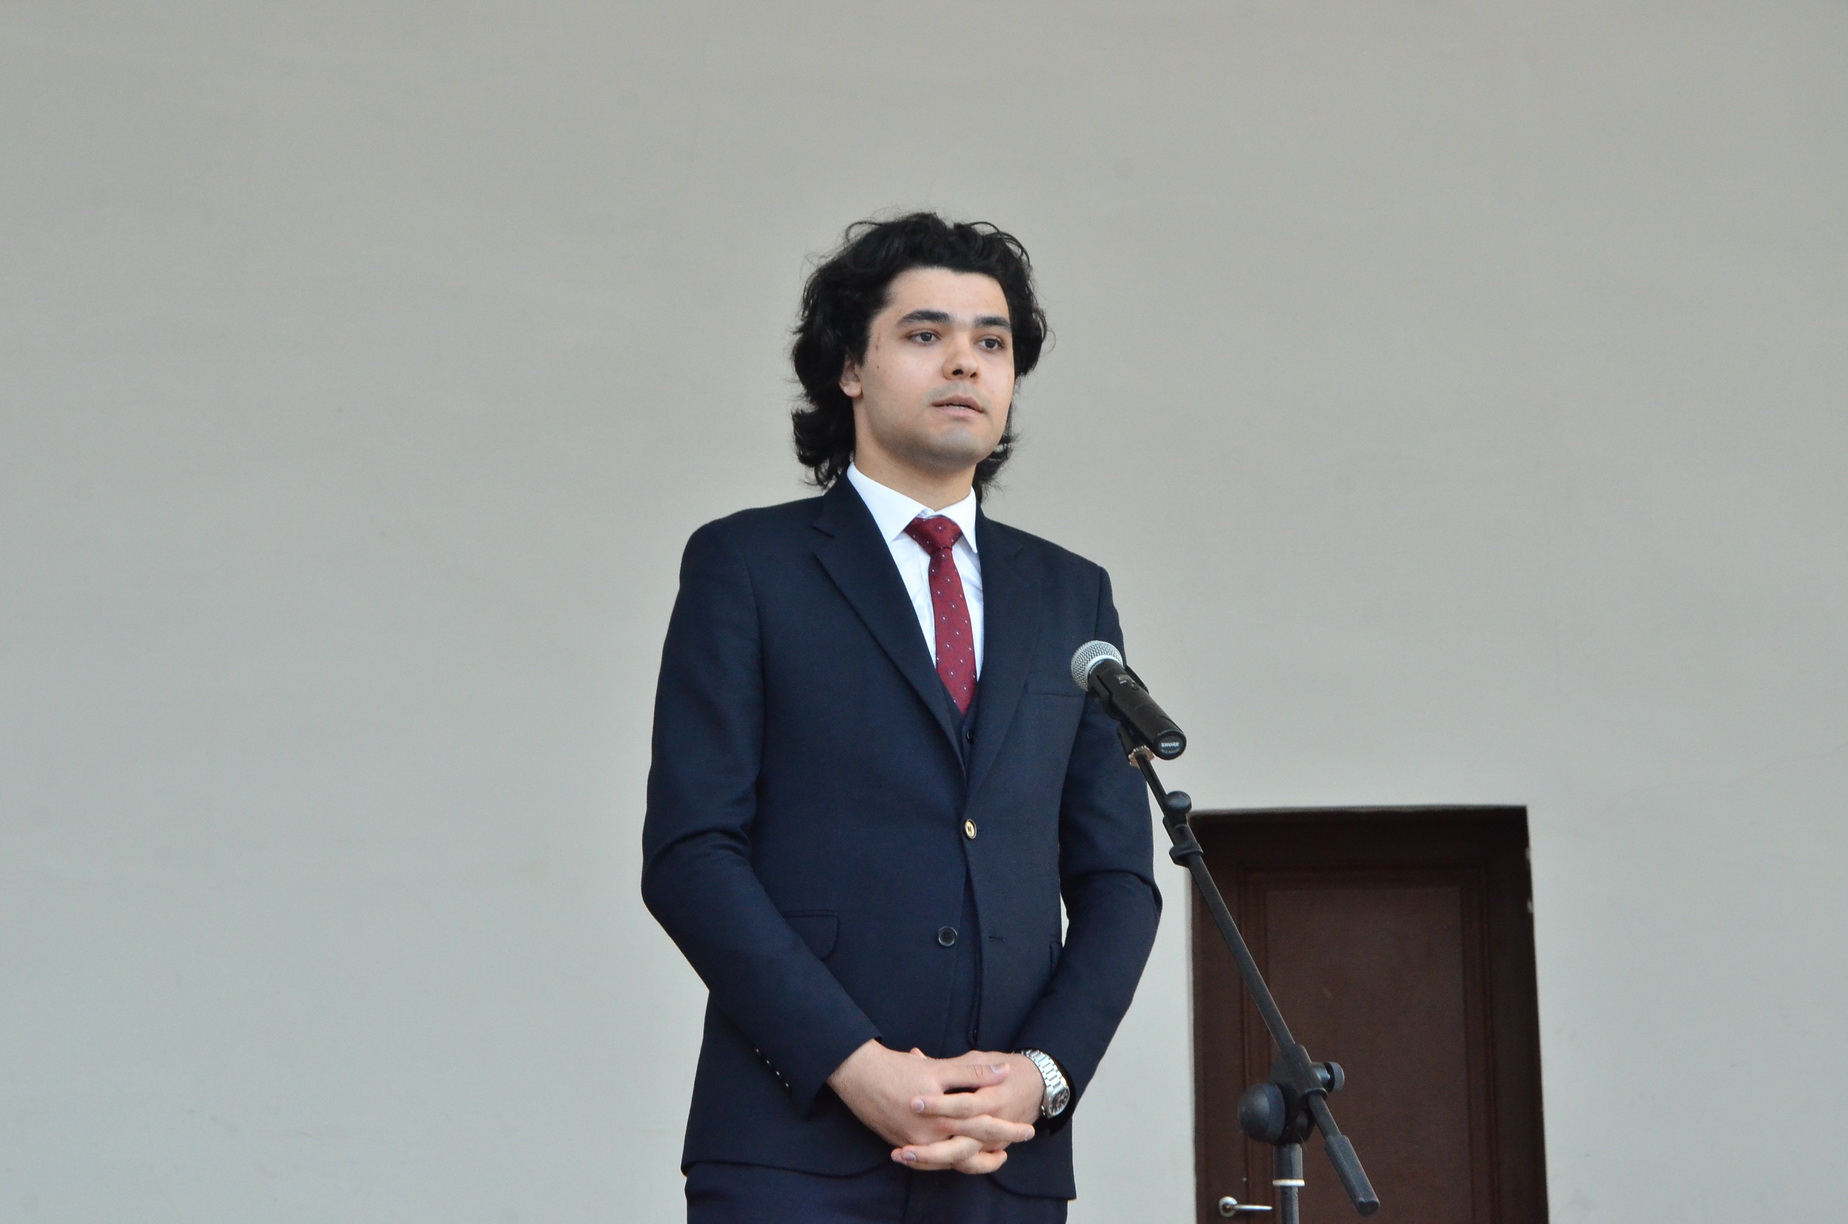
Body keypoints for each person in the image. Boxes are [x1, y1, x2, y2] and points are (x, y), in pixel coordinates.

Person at [641, 212, 1161, 1223]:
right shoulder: (747, 566)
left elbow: (1118, 879)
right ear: (849, 368)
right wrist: (854, 1063)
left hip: (1001, 1155)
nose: (965, 362)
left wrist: (1044, 1076)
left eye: (991, 343)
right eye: (926, 334)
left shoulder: (1072, 595)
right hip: (794, 1148)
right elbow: (692, 852)